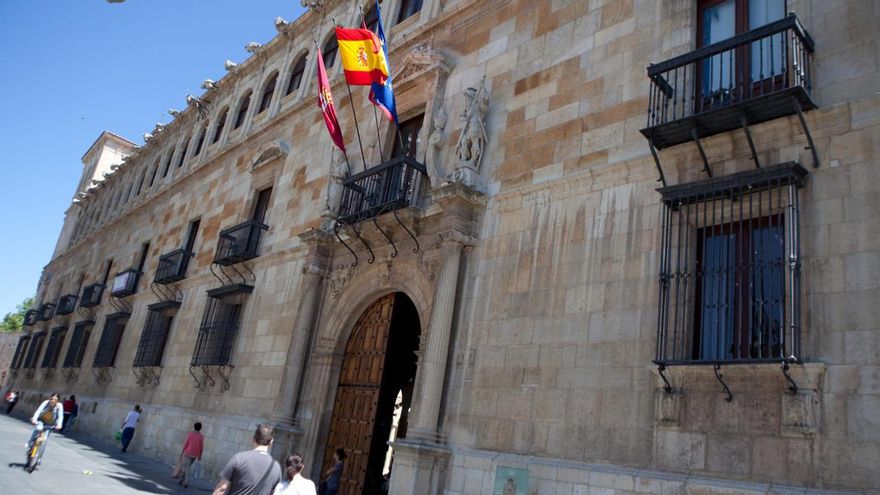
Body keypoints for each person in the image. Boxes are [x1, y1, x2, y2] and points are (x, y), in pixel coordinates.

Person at [213, 423, 282, 495]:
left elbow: (222, 488)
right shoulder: (276, 467)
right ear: (271, 442)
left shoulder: (239, 458)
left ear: (253, 439)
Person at [27, 392, 64, 461]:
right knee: (38, 428)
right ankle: (30, 443)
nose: (53, 401)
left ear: (58, 400)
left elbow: (60, 416)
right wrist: (34, 419)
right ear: (50, 398)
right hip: (41, 420)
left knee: (44, 439)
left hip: (50, 424)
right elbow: (38, 411)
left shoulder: (59, 406)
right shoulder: (46, 402)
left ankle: (39, 458)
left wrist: (59, 424)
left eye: (55, 399)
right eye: (52, 399)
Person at [177, 421, 205, 488]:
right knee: (187, 467)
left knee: (187, 467)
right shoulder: (201, 436)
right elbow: (201, 447)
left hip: (187, 453)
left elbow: (185, 444)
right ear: (200, 428)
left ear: (194, 427)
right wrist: (200, 456)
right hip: (195, 455)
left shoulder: (190, 434)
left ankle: (186, 482)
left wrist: (181, 453)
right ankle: (181, 480)